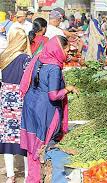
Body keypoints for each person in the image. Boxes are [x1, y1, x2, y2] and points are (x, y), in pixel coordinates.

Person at [20, 36, 79, 182]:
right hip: (44, 109)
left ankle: (32, 178)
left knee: (32, 145)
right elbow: (53, 95)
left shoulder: (40, 58)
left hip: (30, 104)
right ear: (59, 49)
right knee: (42, 146)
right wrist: (68, 89)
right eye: (66, 49)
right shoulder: (54, 68)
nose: (67, 53)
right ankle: (42, 177)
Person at [0, 28, 32, 183]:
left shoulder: (3, 57)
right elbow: (30, 80)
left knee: (7, 136)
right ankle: (27, 176)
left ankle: (10, 176)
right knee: (24, 136)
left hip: (6, 99)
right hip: (21, 99)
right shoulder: (26, 59)